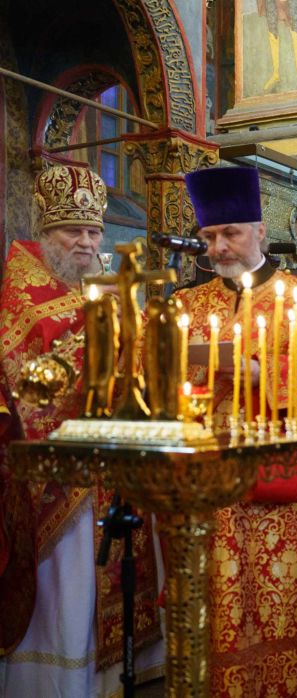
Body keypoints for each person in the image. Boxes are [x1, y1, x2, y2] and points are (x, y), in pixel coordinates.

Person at [177, 166, 297, 696]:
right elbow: (155, 377)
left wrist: (263, 373)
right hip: (209, 477)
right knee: (217, 591)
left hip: (280, 472)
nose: (218, 248)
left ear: (258, 229)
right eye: (209, 236)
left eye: (229, 233)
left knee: (283, 590)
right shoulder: (187, 306)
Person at [0, 165, 164, 695]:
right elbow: (26, 380)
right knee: (70, 583)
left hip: (116, 455)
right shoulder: (22, 292)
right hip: (62, 473)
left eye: (94, 231)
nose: (88, 242)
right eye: (74, 230)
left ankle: (116, 676)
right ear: (47, 231)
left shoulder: (105, 289)